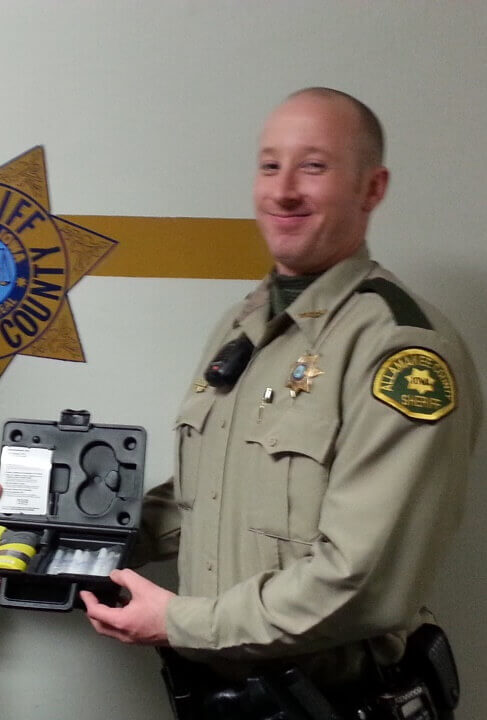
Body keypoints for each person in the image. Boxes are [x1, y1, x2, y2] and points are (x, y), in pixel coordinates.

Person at [80, 88, 481, 717]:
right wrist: (66, 534)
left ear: (372, 188)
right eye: (270, 166)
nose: (284, 190)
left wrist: (180, 622)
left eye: (314, 167)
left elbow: (361, 583)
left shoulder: (399, 351)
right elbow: (203, 502)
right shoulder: (245, 325)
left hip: (333, 703)